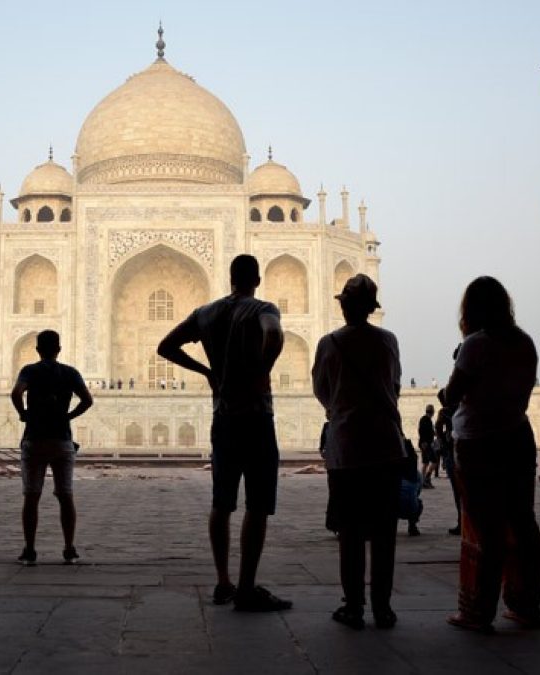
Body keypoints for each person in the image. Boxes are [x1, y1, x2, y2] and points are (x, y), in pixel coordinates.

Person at [158, 253, 291, 613]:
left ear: (230, 278)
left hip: (224, 417)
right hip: (257, 417)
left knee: (221, 502)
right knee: (258, 504)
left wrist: (205, 371)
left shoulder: (207, 313)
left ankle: (223, 582)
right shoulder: (263, 307)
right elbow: (275, 333)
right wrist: (264, 367)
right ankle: (246, 588)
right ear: (257, 279)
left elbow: (165, 347)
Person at [439, 276, 540, 633]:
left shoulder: (475, 345)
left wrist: (445, 396)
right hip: (517, 435)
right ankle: (527, 606)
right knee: (523, 523)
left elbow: (453, 394)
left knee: (487, 528)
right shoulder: (524, 342)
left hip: (479, 441)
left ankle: (478, 611)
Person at [310, 272, 404, 629]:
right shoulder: (388, 340)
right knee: (384, 531)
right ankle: (383, 607)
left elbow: (321, 390)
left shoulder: (329, 343)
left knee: (349, 532)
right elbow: (394, 384)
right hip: (385, 443)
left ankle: (353, 605)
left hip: (347, 445)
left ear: (345, 306)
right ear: (371, 307)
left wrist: (341, 407)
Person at [10, 330, 93, 566]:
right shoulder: (69, 373)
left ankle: (30, 550)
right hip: (62, 440)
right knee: (65, 495)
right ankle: (68, 548)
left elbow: (16, 393)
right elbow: (87, 400)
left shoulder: (30, 371)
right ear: (59, 348)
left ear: (37, 349)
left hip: (35, 438)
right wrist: (68, 416)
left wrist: (24, 414)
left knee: (31, 496)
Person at [436, 402, 462, 535]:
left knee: (458, 492)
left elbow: (438, 428)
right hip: (470, 451)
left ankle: (461, 522)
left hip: (453, 453)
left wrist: (444, 441)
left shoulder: (445, 411)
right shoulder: (464, 407)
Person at [399, 444, 424, 537]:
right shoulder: (416, 476)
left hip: (389, 508)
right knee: (417, 502)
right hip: (410, 508)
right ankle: (412, 525)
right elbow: (417, 492)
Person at [418, 404, 437, 489]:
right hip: (426, 444)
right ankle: (426, 479)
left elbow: (429, 432)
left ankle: (422, 482)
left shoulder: (426, 419)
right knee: (434, 461)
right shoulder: (425, 419)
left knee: (425, 463)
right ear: (432, 412)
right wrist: (424, 442)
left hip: (425, 444)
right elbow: (422, 431)